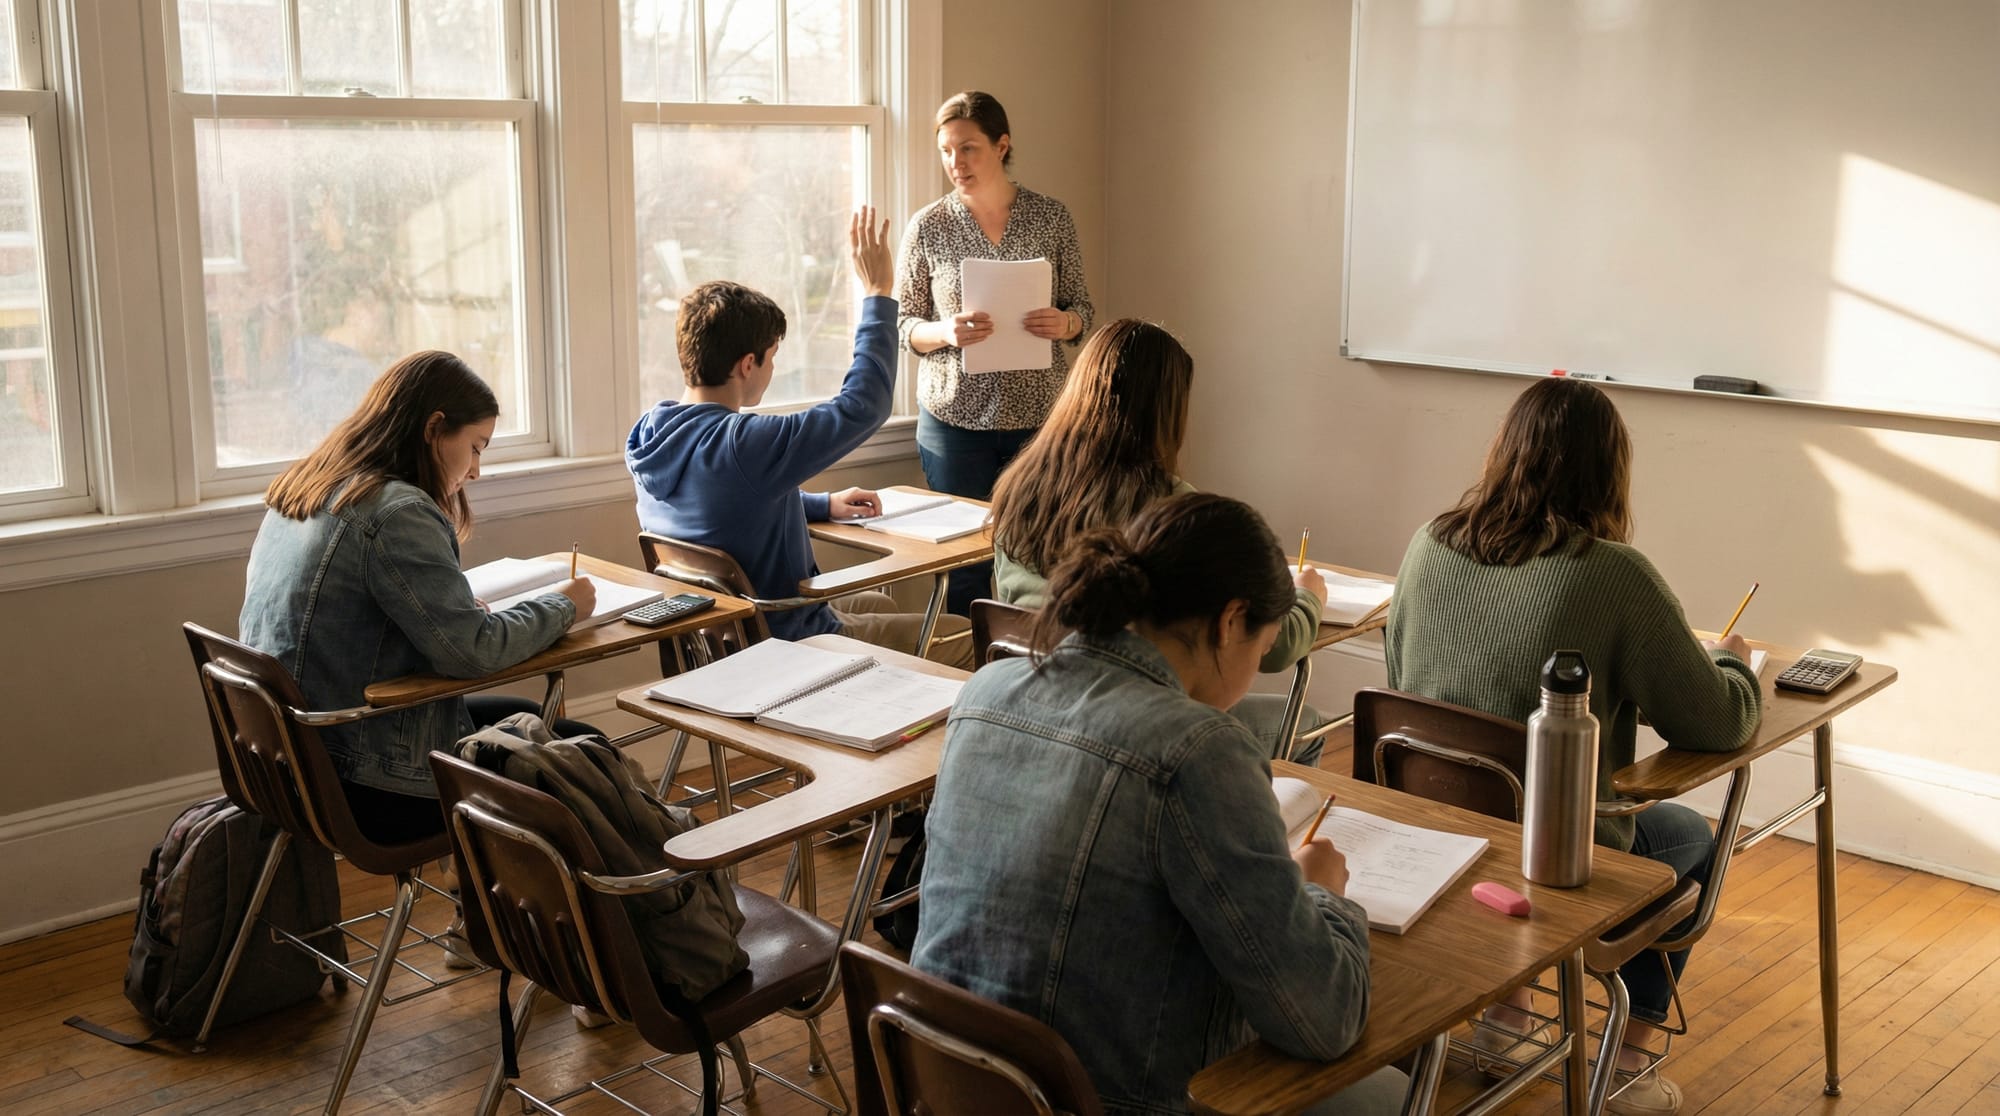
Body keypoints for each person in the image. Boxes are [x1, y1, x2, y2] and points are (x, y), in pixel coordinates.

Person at [912, 492, 1406, 1116]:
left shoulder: (986, 690)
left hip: (947, 1082)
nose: (1255, 670)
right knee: (1394, 1094)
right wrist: (1322, 894)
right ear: (1231, 622)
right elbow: (1322, 1019)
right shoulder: (1197, 749)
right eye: (1263, 648)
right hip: (1103, 1100)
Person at [1383, 377, 1762, 1116]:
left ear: (1505, 453)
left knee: (1506, 797)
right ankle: (1628, 1063)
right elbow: (1713, 724)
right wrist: (1733, 666)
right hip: (1554, 858)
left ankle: (1511, 1012)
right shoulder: (1614, 574)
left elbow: (1403, 682)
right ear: (1609, 470)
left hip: (1430, 838)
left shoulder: (1427, 544)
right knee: (1692, 837)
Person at [240, 350, 598, 820]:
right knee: (587, 755)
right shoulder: (396, 511)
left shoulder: (305, 486)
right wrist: (563, 606)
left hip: (287, 764)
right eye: (475, 446)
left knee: (528, 715)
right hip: (367, 775)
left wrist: (455, 613)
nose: (475, 471)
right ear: (433, 429)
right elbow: (473, 653)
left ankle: (480, 887)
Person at [626, 208, 973, 667]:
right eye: (771, 359)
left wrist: (820, 505)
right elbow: (863, 406)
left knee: (881, 604)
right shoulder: (743, 443)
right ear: (746, 364)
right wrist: (877, 293)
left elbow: (719, 504)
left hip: (719, 644)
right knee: (965, 635)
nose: (772, 371)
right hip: (786, 647)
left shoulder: (651, 434)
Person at [986, 318, 1331, 762]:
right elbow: (1271, 648)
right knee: (1305, 726)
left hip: (1031, 705)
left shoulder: (1016, 487)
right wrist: (1307, 600)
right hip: (1131, 726)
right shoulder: (1173, 509)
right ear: (1165, 412)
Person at [897, 90, 1094, 616]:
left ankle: (1033, 682)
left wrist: (1066, 321)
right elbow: (904, 325)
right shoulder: (928, 226)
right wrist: (945, 333)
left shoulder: (1051, 217)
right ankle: (972, 685)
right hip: (954, 422)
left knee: (1042, 558)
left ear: (1001, 145)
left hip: (1040, 423)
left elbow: (1084, 310)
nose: (955, 163)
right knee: (967, 568)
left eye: (968, 149)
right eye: (946, 151)